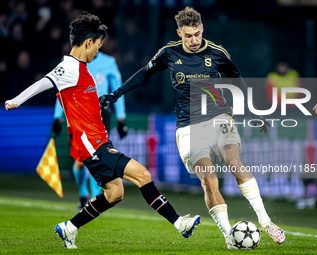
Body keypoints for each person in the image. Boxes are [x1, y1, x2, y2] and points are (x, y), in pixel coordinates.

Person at [5, 12, 200, 249]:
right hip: (90, 144)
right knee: (143, 175)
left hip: (99, 140)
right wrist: (16, 100)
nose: (98, 51)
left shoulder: (81, 68)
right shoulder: (69, 67)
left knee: (114, 194)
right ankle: (180, 223)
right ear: (88, 43)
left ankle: (69, 227)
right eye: (97, 46)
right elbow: (43, 82)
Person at [99, 7, 285, 248]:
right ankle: (229, 236)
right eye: (188, 36)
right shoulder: (168, 53)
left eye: (197, 34)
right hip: (188, 127)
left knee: (234, 162)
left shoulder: (217, 53)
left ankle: (266, 221)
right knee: (208, 181)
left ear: (202, 29)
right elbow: (144, 74)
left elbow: (237, 80)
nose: (194, 40)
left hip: (219, 117)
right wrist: (116, 94)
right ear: (179, 33)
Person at [52, 50, 128, 209]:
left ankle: (93, 199)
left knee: (97, 157)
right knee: (79, 161)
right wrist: (57, 117)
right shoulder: (72, 64)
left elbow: (117, 89)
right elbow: (63, 91)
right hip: (77, 115)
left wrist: (121, 118)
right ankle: (82, 193)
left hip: (100, 116)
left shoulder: (109, 62)